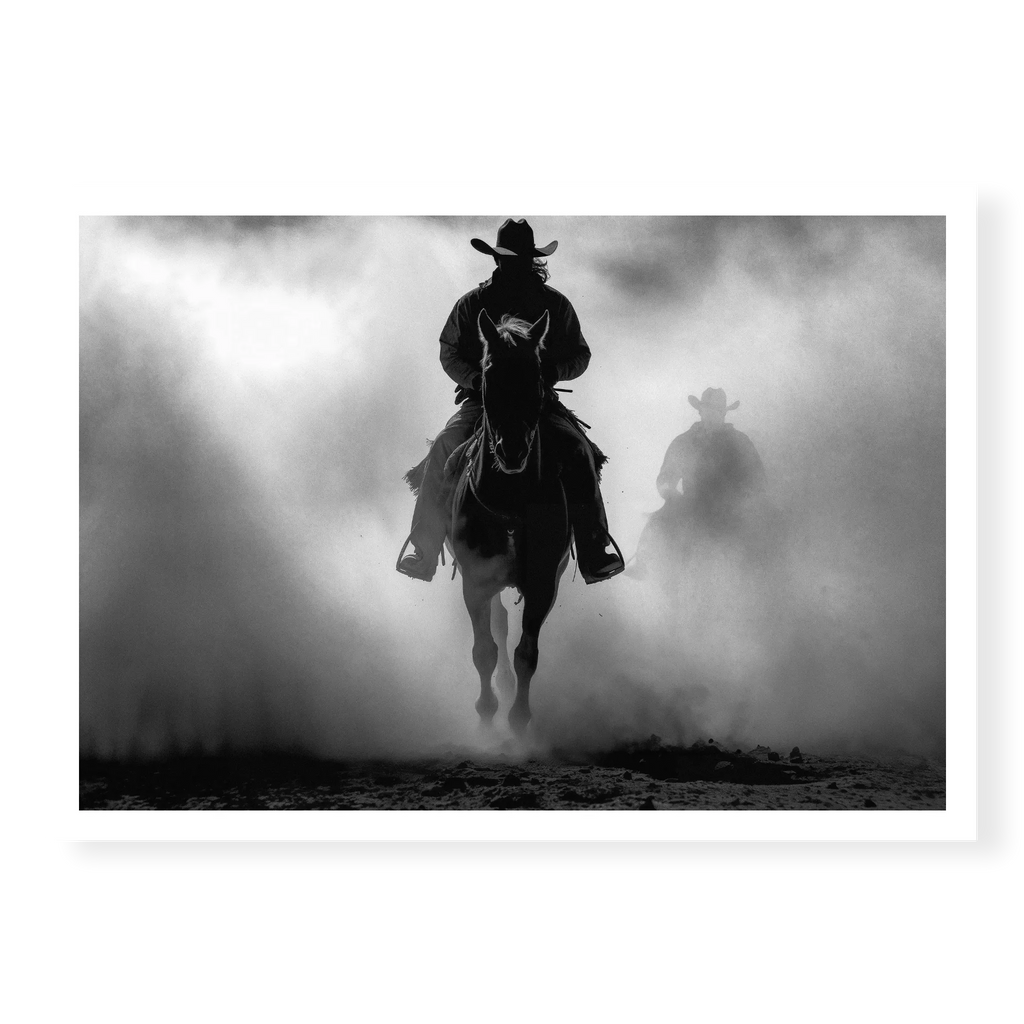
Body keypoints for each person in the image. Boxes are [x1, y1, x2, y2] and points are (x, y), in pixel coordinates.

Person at [397, 218, 624, 585]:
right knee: (443, 448)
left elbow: (580, 355)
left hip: (539, 404)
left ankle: (594, 548)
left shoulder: (555, 305)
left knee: (579, 451)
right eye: (507, 258)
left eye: (519, 259)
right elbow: (449, 351)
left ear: (529, 260)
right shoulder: (473, 304)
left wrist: (551, 374)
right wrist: (476, 381)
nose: (513, 265)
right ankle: (423, 550)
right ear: (497, 259)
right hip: (483, 402)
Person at [631, 387, 767, 576]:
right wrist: (672, 495)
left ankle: (766, 571)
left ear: (724, 413)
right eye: (709, 410)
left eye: (717, 411)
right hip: (691, 506)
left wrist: (742, 500)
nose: (713, 415)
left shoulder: (740, 442)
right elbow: (665, 478)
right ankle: (642, 565)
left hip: (732, 508)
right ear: (700, 411)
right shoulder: (684, 442)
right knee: (658, 521)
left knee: (766, 527)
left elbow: (757, 477)